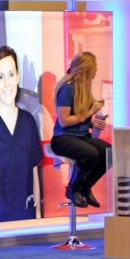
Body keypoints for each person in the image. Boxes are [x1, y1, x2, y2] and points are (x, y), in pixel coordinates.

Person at [0, 46, 43, 223]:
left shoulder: (28, 123)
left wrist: (38, 217)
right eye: (1, 77)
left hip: (25, 216)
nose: (7, 83)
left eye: (11, 75)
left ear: (18, 76)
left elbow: (34, 174)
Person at [50, 52, 110, 208]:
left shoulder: (85, 89)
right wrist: (90, 112)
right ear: (87, 68)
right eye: (95, 67)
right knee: (91, 154)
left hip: (80, 136)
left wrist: (94, 123)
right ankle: (73, 189)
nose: (96, 70)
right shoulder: (68, 88)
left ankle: (85, 187)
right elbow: (64, 121)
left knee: (108, 152)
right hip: (62, 138)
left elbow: (81, 119)